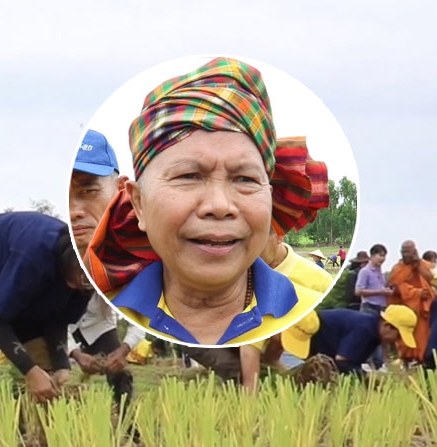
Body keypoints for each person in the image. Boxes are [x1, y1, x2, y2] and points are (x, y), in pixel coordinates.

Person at [82, 57, 326, 346]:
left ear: (270, 198)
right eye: (189, 176)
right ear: (138, 204)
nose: (220, 205)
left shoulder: (307, 309)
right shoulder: (114, 303)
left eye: (245, 179)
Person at [0, 211, 93, 400]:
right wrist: (30, 372)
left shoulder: (89, 282)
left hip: (16, 274)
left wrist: (61, 365)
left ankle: (34, 427)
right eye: (80, 279)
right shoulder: (34, 258)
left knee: (44, 363)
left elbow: (57, 321)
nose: (83, 287)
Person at [69, 128, 145, 408]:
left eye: (89, 190)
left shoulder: (136, 257)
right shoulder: (49, 255)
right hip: (57, 328)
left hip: (97, 325)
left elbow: (140, 318)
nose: (75, 210)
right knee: (54, 378)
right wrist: (75, 354)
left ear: (120, 191)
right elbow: (44, 317)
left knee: (121, 374)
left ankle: (126, 424)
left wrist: (123, 350)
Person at [280, 305, 417, 377]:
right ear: (387, 326)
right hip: (299, 345)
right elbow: (341, 363)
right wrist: (368, 377)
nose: (397, 341)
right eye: (398, 336)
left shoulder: (374, 329)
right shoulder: (365, 330)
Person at [386, 240, 433, 365]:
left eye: (409, 251)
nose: (406, 254)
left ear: (415, 251)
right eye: (404, 251)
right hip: (405, 309)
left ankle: (423, 360)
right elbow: (394, 285)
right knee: (404, 336)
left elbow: (430, 278)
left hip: (421, 308)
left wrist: (417, 263)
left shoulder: (422, 265)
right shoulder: (398, 268)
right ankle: (405, 361)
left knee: (423, 335)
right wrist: (416, 293)